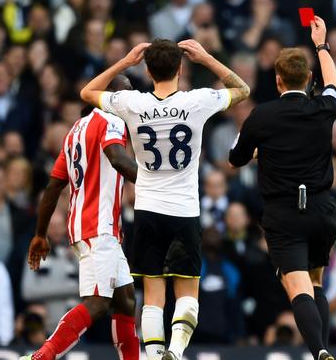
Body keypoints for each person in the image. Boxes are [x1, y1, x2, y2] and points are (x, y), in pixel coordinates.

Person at [80, 38, 250, 360]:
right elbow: (241, 88)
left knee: (154, 296)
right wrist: (207, 58)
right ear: (181, 67)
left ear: (146, 69)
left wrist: (122, 62)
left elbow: (87, 93)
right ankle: (174, 350)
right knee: (187, 294)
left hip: (147, 210)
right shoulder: (197, 101)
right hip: (184, 210)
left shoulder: (133, 103)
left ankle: (156, 357)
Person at [228, 16, 336, 360]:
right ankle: (325, 349)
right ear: (308, 80)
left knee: (298, 287)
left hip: (284, 214)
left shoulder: (261, 116)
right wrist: (321, 44)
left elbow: (236, 159)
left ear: (277, 81)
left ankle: (319, 350)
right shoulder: (322, 108)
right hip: (322, 210)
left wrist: (260, 149)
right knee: (316, 280)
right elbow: (334, 84)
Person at [22, 75, 140, 360]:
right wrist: (157, 182)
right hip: (98, 225)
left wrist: (40, 233)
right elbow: (117, 158)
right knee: (98, 303)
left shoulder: (75, 130)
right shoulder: (110, 121)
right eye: (125, 93)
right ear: (108, 95)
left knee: (125, 301)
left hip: (88, 225)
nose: (130, 100)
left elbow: (53, 187)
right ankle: (41, 357)